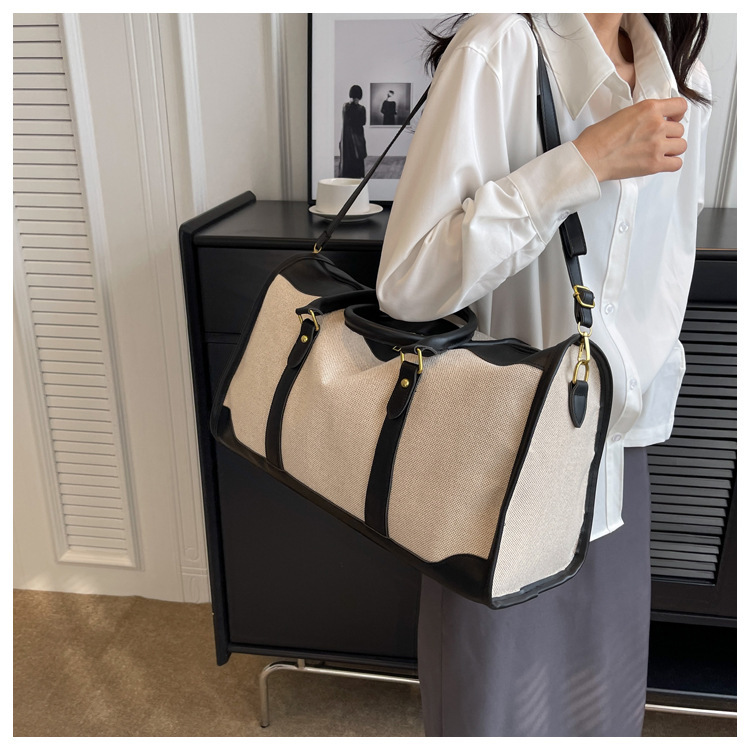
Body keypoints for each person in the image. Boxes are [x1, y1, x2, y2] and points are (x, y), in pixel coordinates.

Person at [376, 13, 711, 737]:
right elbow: (408, 282)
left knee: (601, 703)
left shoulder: (677, 74)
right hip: (501, 455)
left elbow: (666, 270)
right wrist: (580, 163)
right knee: (492, 709)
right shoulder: (500, 46)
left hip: (613, 452)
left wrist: (631, 410)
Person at [339, 84, 367, 178]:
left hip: (347, 138)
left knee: (349, 159)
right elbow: (363, 122)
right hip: (356, 137)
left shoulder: (345, 107)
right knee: (357, 159)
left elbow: (349, 120)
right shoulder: (361, 109)